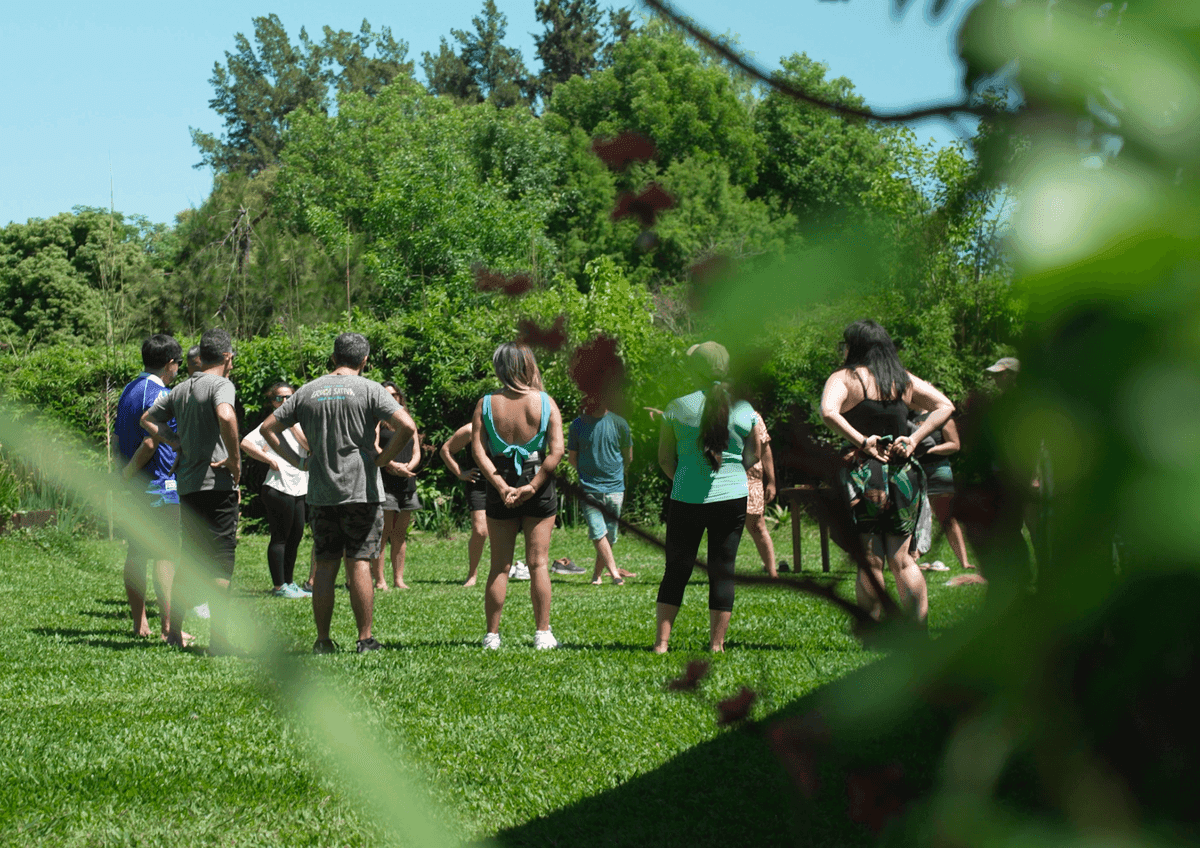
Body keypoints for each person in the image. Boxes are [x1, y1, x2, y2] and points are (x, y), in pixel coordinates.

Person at [260, 332, 416, 655]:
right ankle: (365, 639)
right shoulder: (371, 389)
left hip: (320, 492)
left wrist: (298, 461)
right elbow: (407, 427)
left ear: (333, 358)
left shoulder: (307, 391)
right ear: (364, 360)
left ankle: (322, 641)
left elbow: (267, 429)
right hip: (361, 491)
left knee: (326, 563)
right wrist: (383, 461)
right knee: (359, 561)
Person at [819, 320, 954, 623]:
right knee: (902, 559)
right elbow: (944, 405)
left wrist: (863, 442)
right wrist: (915, 438)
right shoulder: (901, 379)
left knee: (870, 559)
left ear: (854, 346)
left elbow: (828, 412)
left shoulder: (845, 378)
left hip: (863, 475)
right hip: (903, 474)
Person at [655, 341, 759, 654]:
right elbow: (753, 456)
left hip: (686, 497)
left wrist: (685, 480)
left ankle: (661, 644)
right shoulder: (744, 409)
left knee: (676, 569)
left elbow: (664, 459)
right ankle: (717, 645)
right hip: (732, 497)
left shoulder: (676, 407)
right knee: (723, 568)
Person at [142, 328, 241, 654]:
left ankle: (175, 633)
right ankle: (219, 640)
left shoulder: (181, 388)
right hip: (216, 484)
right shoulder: (222, 385)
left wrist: (174, 441)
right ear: (227, 357)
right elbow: (226, 415)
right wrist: (234, 461)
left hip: (186, 486)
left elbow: (147, 419)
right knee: (221, 559)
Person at [471, 342, 565, 650]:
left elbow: (478, 451)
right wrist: (533, 486)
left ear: (500, 368)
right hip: (537, 482)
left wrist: (500, 486)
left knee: (499, 565)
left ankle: (492, 636)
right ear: (528, 366)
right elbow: (556, 451)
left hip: (501, 485)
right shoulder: (545, 402)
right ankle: (543, 633)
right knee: (538, 563)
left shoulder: (485, 403)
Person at [115, 334, 188, 646]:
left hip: (134, 491)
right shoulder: (158, 393)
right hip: (157, 485)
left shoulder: (129, 389)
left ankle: (138, 622)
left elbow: (119, 439)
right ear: (170, 364)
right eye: (178, 364)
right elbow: (150, 441)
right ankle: (169, 628)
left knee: (136, 552)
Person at [240, 383, 311, 598]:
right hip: (278, 487)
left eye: (289, 398)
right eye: (279, 399)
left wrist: (292, 425)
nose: (284, 402)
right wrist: (269, 458)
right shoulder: (268, 424)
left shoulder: (300, 423)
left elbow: (309, 446)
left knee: (296, 535)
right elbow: (246, 443)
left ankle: (289, 583)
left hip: (299, 487)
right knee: (280, 536)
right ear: (273, 402)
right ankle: (279, 586)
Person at [567, 399, 632, 586]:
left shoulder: (620, 423)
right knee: (598, 532)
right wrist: (587, 475)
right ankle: (615, 574)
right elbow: (573, 458)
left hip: (615, 487)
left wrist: (616, 474)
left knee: (609, 536)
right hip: (589, 488)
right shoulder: (577, 425)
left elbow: (628, 456)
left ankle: (596, 575)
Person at [909, 410, 974, 571]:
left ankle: (964, 562)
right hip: (913, 469)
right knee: (913, 516)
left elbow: (954, 445)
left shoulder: (941, 415)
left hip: (938, 468)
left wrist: (929, 450)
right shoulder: (907, 415)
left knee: (947, 517)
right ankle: (913, 557)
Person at [375, 381, 421, 590]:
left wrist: (408, 467)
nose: (391, 398)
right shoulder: (377, 420)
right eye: (386, 395)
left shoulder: (408, 420)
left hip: (407, 482)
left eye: (395, 395)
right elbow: (374, 446)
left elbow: (417, 451)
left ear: (400, 397)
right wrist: (391, 464)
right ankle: (380, 580)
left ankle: (398, 579)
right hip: (385, 483)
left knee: (400, 535)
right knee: (383, 534)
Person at [439, 423, 489, 587]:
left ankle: (500, 571)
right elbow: (445, 450)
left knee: (500, 532)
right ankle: (472, 574)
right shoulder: (470, 430)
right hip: (478, 485)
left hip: (503, 483)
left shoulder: (506, 424)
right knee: (480, 531)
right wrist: (460, 473)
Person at [745, 415, 781, 578]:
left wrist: (772, 482)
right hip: (725, 477)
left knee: (757, 525)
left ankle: (773, 573)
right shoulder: (714, 413)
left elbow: (765, 448)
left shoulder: (753, 416)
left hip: (752, 478)